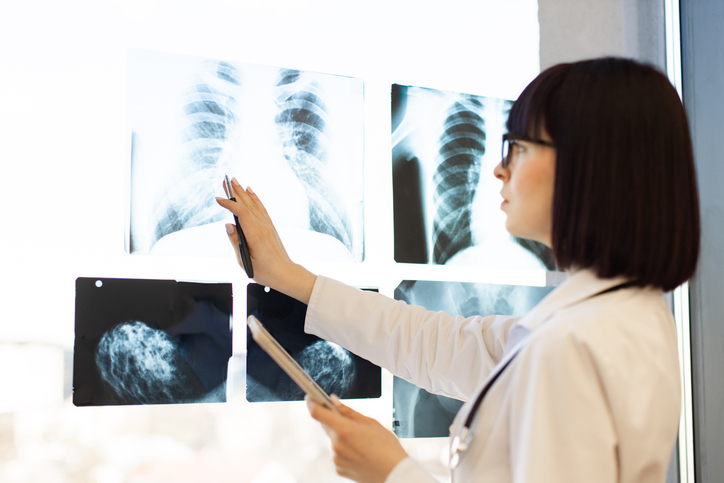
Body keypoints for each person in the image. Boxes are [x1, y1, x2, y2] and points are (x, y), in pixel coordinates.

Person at [215, 57, 700, 483]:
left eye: (519, 147)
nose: (499, 169)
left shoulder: (573, 346)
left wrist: (392, 471)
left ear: (588, 164)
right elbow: (435, 344)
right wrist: (287, 274)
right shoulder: (613, 320)